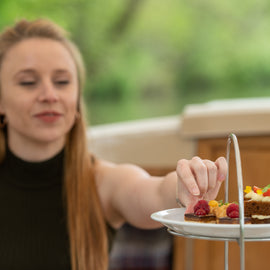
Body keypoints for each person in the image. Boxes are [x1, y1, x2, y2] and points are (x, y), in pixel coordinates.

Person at [0, 18, 227, 270]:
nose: (50, 95)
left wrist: (185, 186)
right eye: (28, 82)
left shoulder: (104, 183)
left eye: (62, 82)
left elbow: (154, 192)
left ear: (76, 98)